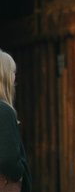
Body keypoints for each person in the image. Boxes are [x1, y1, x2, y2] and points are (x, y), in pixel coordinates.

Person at [0, 49, 32, 192]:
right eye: (13, 72)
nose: (14, 77)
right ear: (4, 75)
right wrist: (20, 172)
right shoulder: (5, 111)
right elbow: (8, 158)